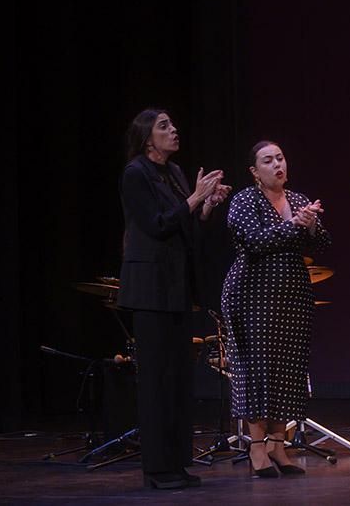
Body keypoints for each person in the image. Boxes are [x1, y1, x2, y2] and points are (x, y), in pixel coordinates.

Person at [117, 109, 229, 490]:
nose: (174, 129)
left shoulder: (175, 172)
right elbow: (158, 224)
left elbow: (186, 225)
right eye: (164, 126)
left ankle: (177, 463)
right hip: (150, 290)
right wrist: (195, 197)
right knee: (156, 380)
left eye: (172, 124)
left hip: (177, 287)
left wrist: (206, 204)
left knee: (180, 379)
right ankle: (157, 468)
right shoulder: (135, 174)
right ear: (148, 138)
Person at [222, 141, 330, 478]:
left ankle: (279, 447)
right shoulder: (244, 200)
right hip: (252, 294)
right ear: (255, 171)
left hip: (292, 295)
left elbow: (322, 244)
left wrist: (311, 224)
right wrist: (294, 225)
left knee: (288, 371)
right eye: (267, 161)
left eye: (280, 158)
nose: (277, 165)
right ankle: (257, 450)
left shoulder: (298, 200)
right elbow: (255, 242)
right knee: (258, 370)